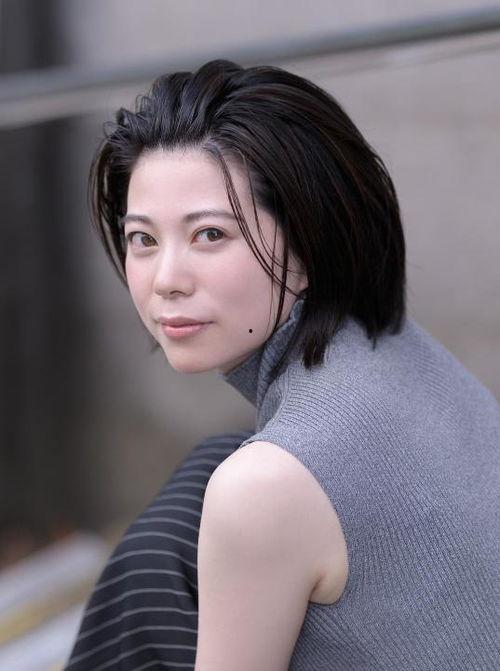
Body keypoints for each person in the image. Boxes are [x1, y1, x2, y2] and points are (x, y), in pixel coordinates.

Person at [65, 59, 500, 670]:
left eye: (210, 235)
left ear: (308, 235)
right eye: (144, 239)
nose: (166, 280)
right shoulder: (398, 351)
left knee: (205, 516)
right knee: (200, 488)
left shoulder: (269, 485)